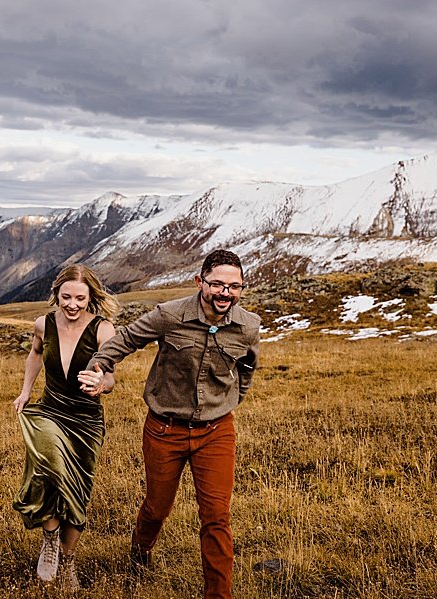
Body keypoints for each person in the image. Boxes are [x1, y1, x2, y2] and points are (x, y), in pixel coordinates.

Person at [78, 249, 260, 599]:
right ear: (200, 282)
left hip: (216, 431)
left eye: (234, 286)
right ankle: (140, 551)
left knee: (217, 517)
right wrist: (100, 367)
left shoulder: (248, 326)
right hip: (164, 430)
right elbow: (127, 339)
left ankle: (218, 595)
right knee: (158, 507)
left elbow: (248, 368)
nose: (225, 293)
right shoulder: (170, 315)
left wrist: (232, 400)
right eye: (218, 284)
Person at [11, 264, 119, 591]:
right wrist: (26, 391)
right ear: (56, 294)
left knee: (77, 493)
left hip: (86, 420)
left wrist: (102, 384)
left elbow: (111, 377)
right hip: (50, 411)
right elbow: (34, 353)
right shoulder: (43, 324)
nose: (72, 304)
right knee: (49, 470)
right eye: (66, 297)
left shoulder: (103, 330)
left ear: (91, 298)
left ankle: (68, 559)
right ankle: (49, 539)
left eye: (80, 298)